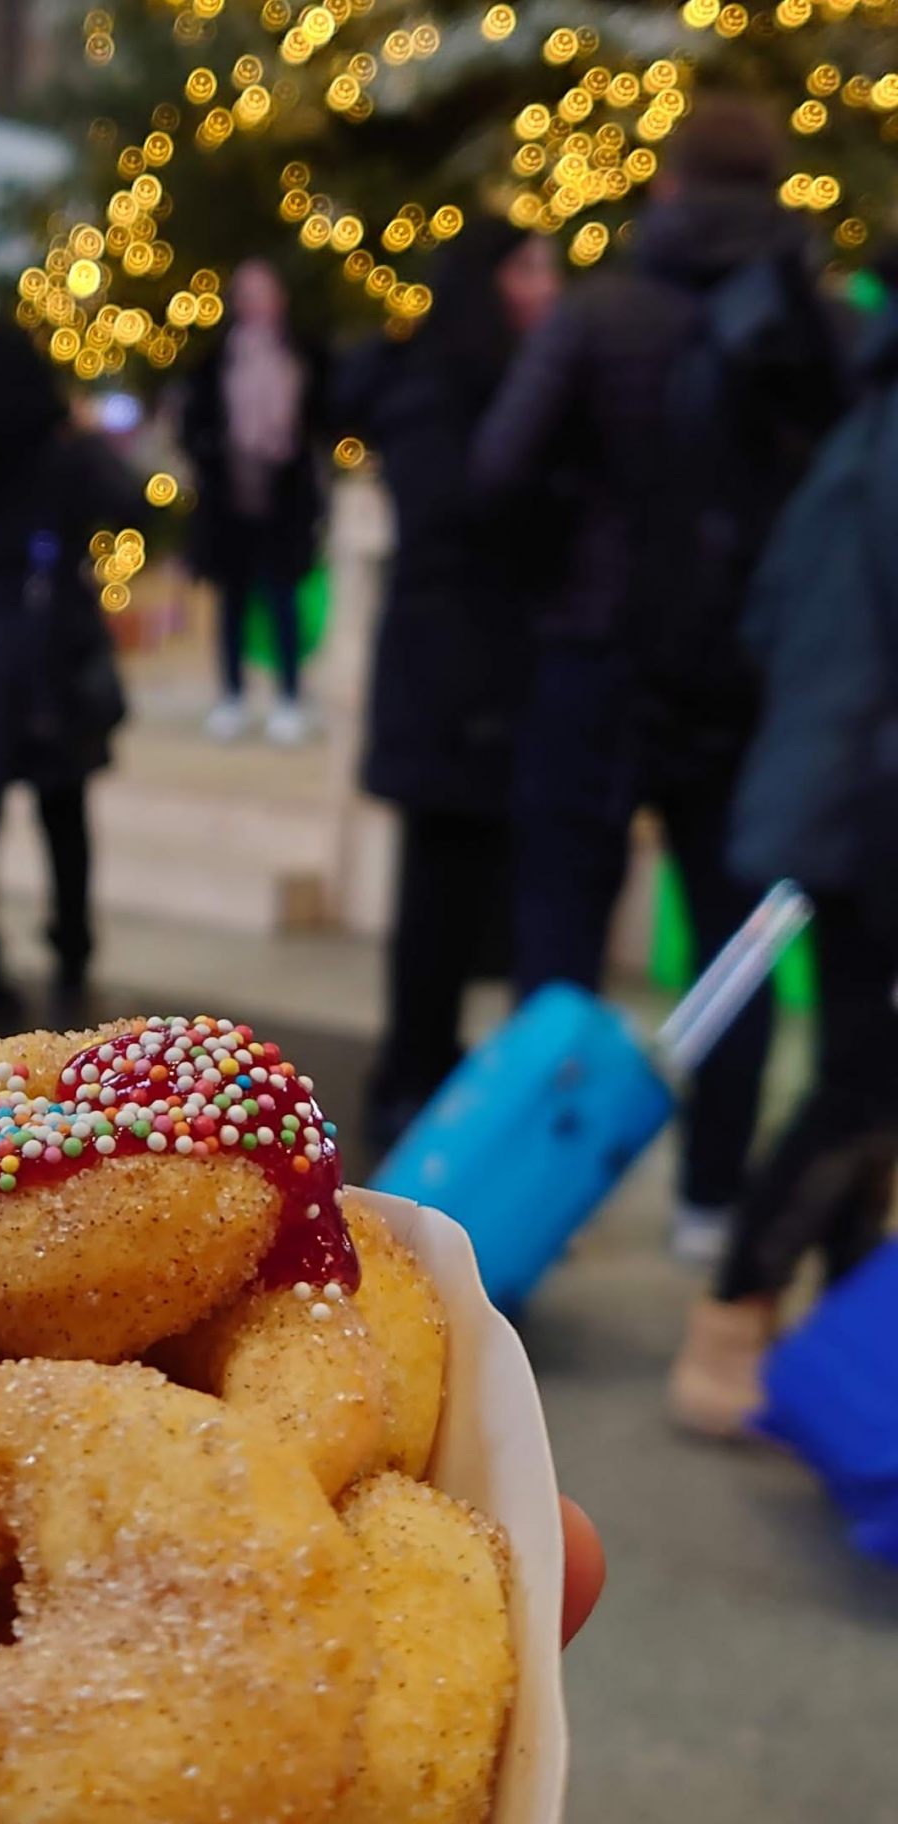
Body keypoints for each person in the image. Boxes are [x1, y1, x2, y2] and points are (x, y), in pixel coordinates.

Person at [473, 95, 844, 1261]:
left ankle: (532, 1195)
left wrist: (562, 567)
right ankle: (710, 1199)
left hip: (594, 657)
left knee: (560, 927)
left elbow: (499, 471)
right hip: (746, 678)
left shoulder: (602, 313)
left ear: (670, 185)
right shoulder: (820, 327)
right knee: (730, 940)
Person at [668, 303, 898, 1436]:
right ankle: (736, 1321)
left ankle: (820, 1352)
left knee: (868, 1074)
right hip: (867, 807)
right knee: (865, 1081)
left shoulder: (861, 430)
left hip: (837, 793)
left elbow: (765, 620)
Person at [349, 220, 562, 1154]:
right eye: (529, 267)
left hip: (476, 679)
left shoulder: (493, 385)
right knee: (436, 896)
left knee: (462, 893)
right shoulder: (439, 392)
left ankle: (427, 1073)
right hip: (449, 682)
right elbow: (454, 527)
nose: (547, 285)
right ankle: (410, 1079)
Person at [0, 322, 132, 1020]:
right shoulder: (63, 455)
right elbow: (125, 499)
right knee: (63, 812)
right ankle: (72, 949)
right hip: (50, 646)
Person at [181, 260, 322, 746]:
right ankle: (232, 696)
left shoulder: (301, 358)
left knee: (284, 602)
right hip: (230, 505)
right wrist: (214, 454)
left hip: (284, 504)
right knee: (232, 604)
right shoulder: (216, 362)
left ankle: (290, 697)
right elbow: (194, 425)